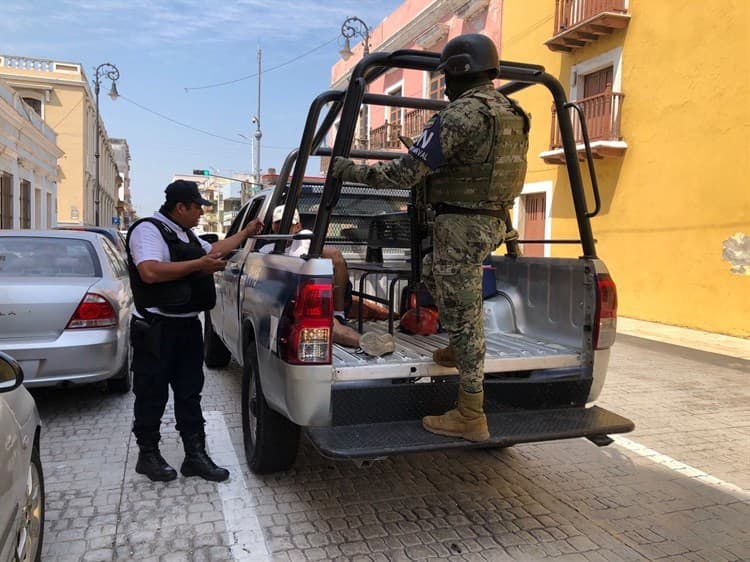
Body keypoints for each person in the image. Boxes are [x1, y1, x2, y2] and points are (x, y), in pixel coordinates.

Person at [331, 34, 530, 442]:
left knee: (465, 312)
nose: (446, 86)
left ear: (457, 73)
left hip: (461, 225)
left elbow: (400, 175)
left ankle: (470, 415)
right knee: (443, 287)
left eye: (446, 78)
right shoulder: (513, 111)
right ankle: (458, 348)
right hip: (491, 219)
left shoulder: (460, 115)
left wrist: (348, 170)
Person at [126, 179, 263, 482]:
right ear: (180, 207)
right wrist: (198, 266)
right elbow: (149, 271)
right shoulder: (148, 230)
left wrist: (246, 233)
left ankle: (195, 456)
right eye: (198, 206)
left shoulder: (184, 233)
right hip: (156, 328)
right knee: (152, 394)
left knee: (190, 393)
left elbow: (213, 250)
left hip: (187, 326)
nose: (201, 212)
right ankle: (148, 456)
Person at [260, 205, 395, 357]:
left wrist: (338, 310)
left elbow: (335, 255)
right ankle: (368, 341)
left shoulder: (304, 240)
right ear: (272, 226)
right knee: (328, 326)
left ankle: (366, 340)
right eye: (278, 223)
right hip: (285, 303)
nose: (283, 228)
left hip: (311, 300)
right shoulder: (265, 250)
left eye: (288, 224)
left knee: (330, 326)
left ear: (297, 226)